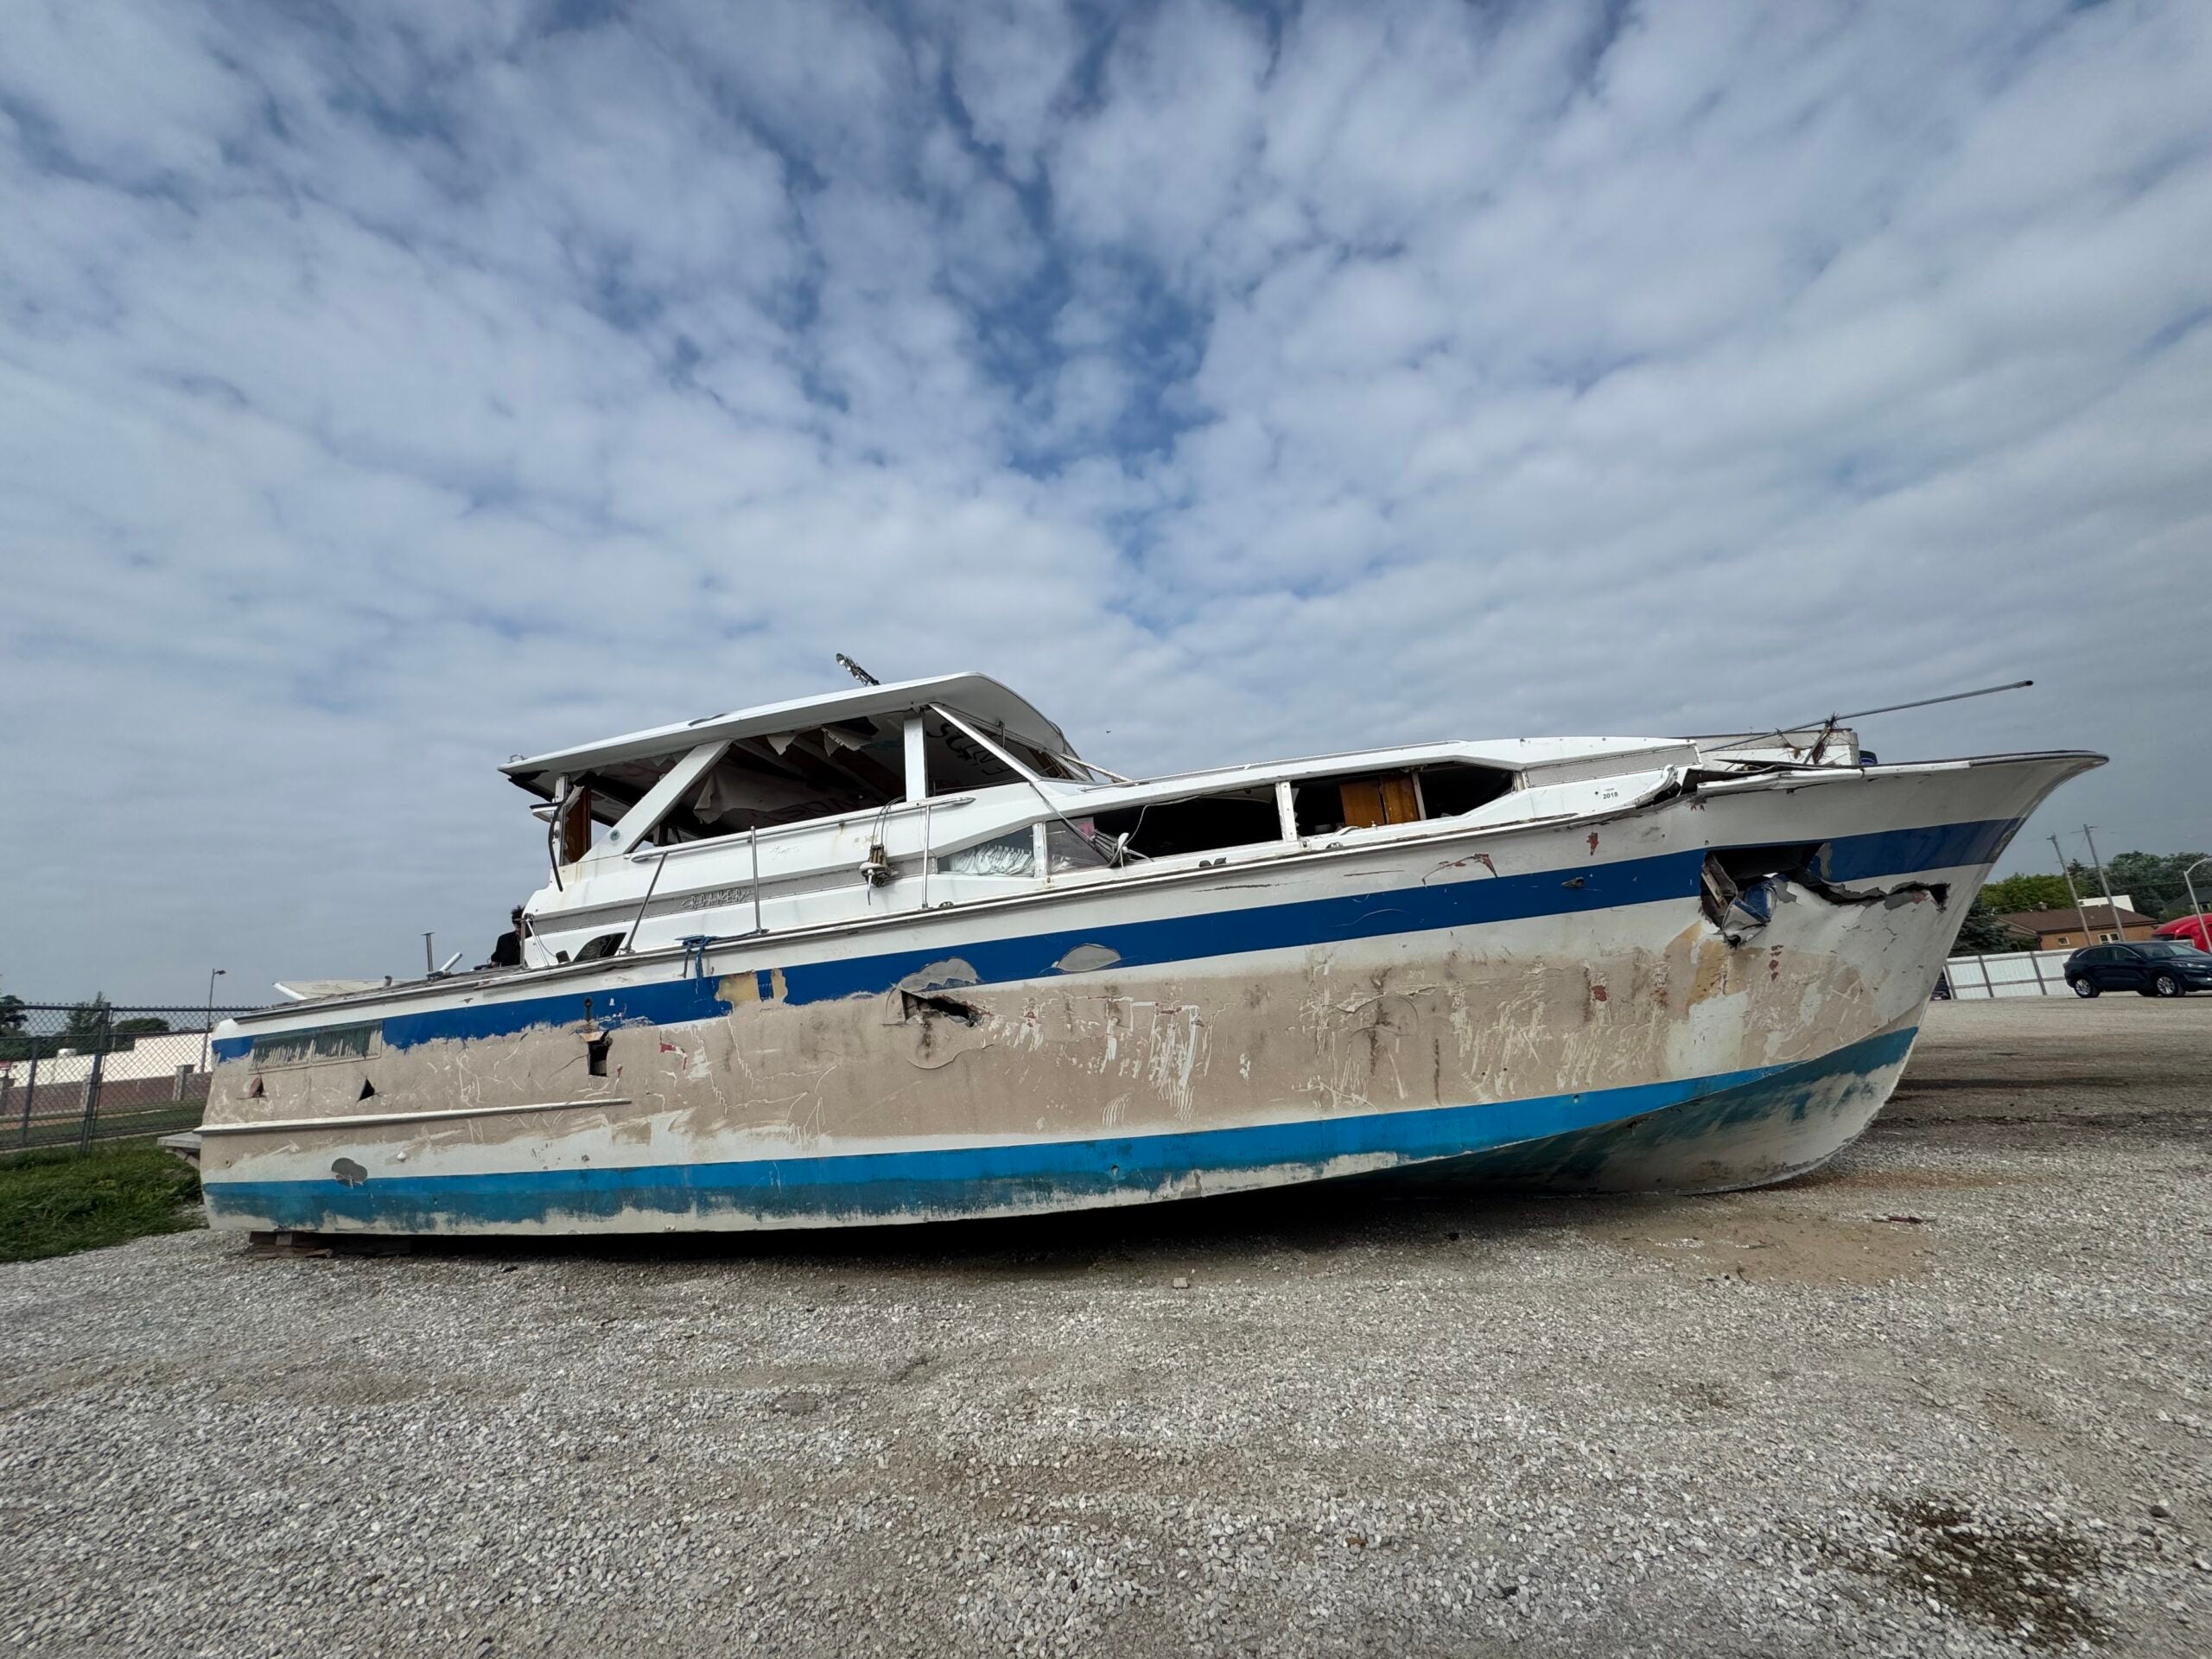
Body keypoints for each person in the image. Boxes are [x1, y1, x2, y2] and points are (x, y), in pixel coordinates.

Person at [483, 906, 525, 970]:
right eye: (517, 926)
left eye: (522, 926)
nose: (519, 929)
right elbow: (495, 962)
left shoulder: (537, 940)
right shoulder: (504, 940)